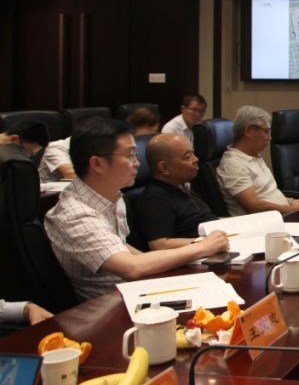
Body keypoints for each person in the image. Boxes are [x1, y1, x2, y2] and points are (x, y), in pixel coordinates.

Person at [44, 117, 229, 301]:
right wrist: (202, 247)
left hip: (137, 290)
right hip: (109, 305)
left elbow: (119, 245)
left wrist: (162, 270)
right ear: (97, 163)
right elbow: (131, 267)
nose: (137, 163)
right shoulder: (75, 215)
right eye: (130, 155)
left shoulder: (112, 195)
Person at [217, 106, 299, 216]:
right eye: (267, 132)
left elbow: (267, 193)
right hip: (263, 222)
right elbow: (254, 207)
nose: (269, 138)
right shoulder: (233, 164)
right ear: (249, 131)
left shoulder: (253, 155)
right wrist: (292, 209)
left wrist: (291, 201)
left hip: (281, 215)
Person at [135, 133, 218, 250]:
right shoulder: (155, 198)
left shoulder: (181, 185)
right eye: (187, 157)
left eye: (193, 153)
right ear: (164, 168)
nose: (196, 159)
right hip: (198, 254)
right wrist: (206, 242)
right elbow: (159, 244)